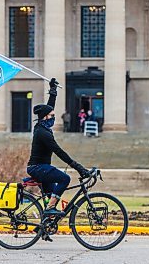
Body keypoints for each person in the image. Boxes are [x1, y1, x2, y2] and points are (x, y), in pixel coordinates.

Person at [27, 78, 90, 216]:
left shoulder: (41, 125)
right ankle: (50, 208)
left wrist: (53, 92)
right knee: (64, 179)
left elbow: (49, 108)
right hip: (38, 168)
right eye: (52, 116)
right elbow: (58, 151)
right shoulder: (43, 133)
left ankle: (46, 222)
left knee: (52, 193)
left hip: (41, 167)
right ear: (45, 117)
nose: (54, 118)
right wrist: (78, 167)